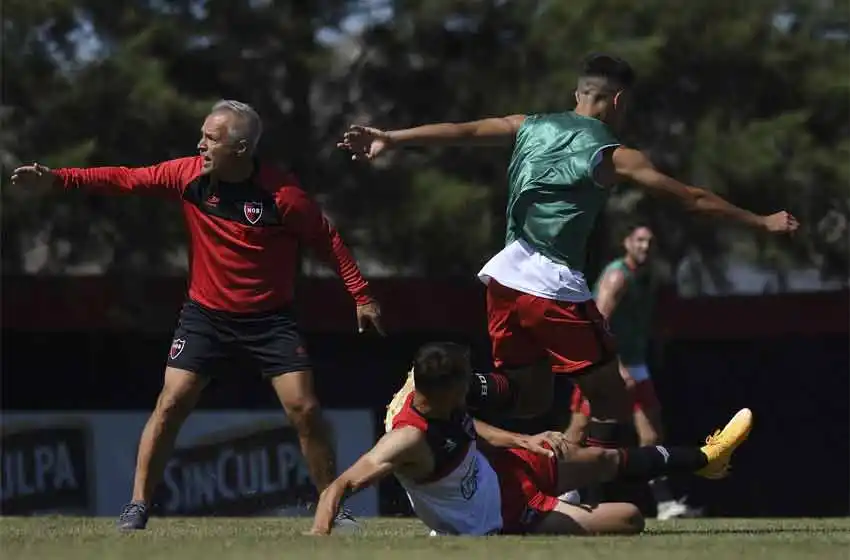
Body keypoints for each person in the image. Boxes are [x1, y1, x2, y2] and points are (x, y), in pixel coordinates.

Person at [337, 53, 797, 453]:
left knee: (530, 397)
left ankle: (437, 385)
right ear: (617, 101)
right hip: (551, 285)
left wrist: (393, 137)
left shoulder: (527, 125)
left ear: (577, 94)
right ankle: (575, 483)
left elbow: (464, 130)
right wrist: (760, 221)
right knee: (613, 400)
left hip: (503, 279)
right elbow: (691, 198)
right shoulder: (613, 154)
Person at [10, 100, 384, 530]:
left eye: (210, 138)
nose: (200, 145)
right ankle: (137, 507)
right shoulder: (188, 176)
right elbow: (127, 179)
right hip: (205, 316)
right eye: (202, 136)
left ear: (240, 148)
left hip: (270, 319)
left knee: (305, 408)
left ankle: (332, 508)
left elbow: (328, 239)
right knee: (170, 403)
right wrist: (58, 179)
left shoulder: (284, 196)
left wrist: (362, 295)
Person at [309, 342, 752, 536]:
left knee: (603, 460)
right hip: (504, 516)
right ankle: (565, 505)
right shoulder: (406, 439)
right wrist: (318, 537)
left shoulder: (441, 400)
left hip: (503, 468)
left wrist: (523, 440)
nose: (471, 389)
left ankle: (705, 457)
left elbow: (470, 428)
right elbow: (339, 487)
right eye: (464, 385)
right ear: (442, 391)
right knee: (631, 518)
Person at [564, 223, 700, 519]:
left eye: (650, 242)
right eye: (639, 241)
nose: (645, 247)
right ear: (626, 243)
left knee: (651, 434)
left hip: (635, 363)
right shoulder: (617, 276)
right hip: (606, 365)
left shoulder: (648, 276)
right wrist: (614, 365)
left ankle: (664, 503)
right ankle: (561, 493)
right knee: (578, 434)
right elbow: (598, 322)